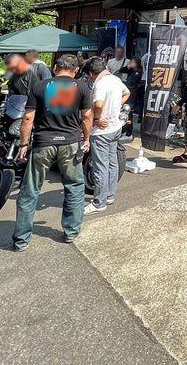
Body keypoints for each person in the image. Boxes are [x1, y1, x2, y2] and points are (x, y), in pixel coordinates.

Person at [12, 54, 93, 250]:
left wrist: (23, 144)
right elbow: (87, 116)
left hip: (43, 142)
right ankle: (71, 232)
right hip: (71, 143)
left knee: (30, 190)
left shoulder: (39, 87)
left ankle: (21, 239)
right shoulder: (82, 87)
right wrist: (87, 139)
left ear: (55, 67)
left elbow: (28, 118)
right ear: (75, 71)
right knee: (74, 187)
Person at [83, 57, 129, 213]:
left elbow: (98, 104)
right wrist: (116, 106)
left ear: (91, 73)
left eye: (88, 75)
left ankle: (99, 203)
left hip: (102, 132)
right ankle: (109, 195)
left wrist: (96, 119)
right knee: (112, 162)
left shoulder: (101, 84)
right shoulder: (115, 79)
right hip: (116, 128)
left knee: (100, 167)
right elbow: (126, 93)